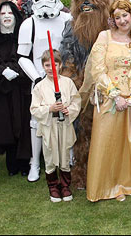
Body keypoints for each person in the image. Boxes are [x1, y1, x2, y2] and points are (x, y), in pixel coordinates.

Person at [86, 0, 131, 202]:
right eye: (118, 17)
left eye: (125, 15)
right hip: (110, 100)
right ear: (112, 20)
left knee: (130, 144)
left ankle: (130, 183)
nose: (122, 20)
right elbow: (97, 68)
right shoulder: (104, 37)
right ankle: (106, 186)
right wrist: (114, 95)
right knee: (107, 142)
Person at [59, 0, 113, 189]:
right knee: (80, 134)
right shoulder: (72, 29)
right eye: (81, 1)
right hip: (80, 89)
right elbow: (67, 61)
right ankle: (80, 172)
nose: (86, 5)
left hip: (106, 89)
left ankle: (107, 173)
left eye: (92, 1)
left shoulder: (111, 28)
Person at [17, 0, 73, 182]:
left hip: (66, 77)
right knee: (37, 121)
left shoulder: (68, 19)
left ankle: (69, 158)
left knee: (67, 116)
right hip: (40, 78)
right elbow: (23, 56)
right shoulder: (29, 24)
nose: (45, 4)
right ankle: (35, 162)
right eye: (40, 0)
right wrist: (38, 78)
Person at [0, 1, 32, 176]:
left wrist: (17, 70)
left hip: (21, 88)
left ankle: (25, 162)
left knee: (24, 123)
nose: (6, 16)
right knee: (7, 124)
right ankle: (11, 163)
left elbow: (28, 56)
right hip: (3, 89)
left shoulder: (23, 36)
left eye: (10, 13)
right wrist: (2, 71)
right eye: (3, 13)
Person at [31, 49, 81, 202]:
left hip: (64, 125)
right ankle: (53, 186)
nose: (51, 68)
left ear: (60, 66)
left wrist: (68, 110)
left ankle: (65, 186)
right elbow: (34, 108)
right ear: (43, 66)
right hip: (49, 127)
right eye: (47, 65)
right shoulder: (39, 87)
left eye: (54, 64)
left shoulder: (67, 83)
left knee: (65, 156)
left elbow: (76, 101)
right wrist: (49, 109)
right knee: (50, 156)